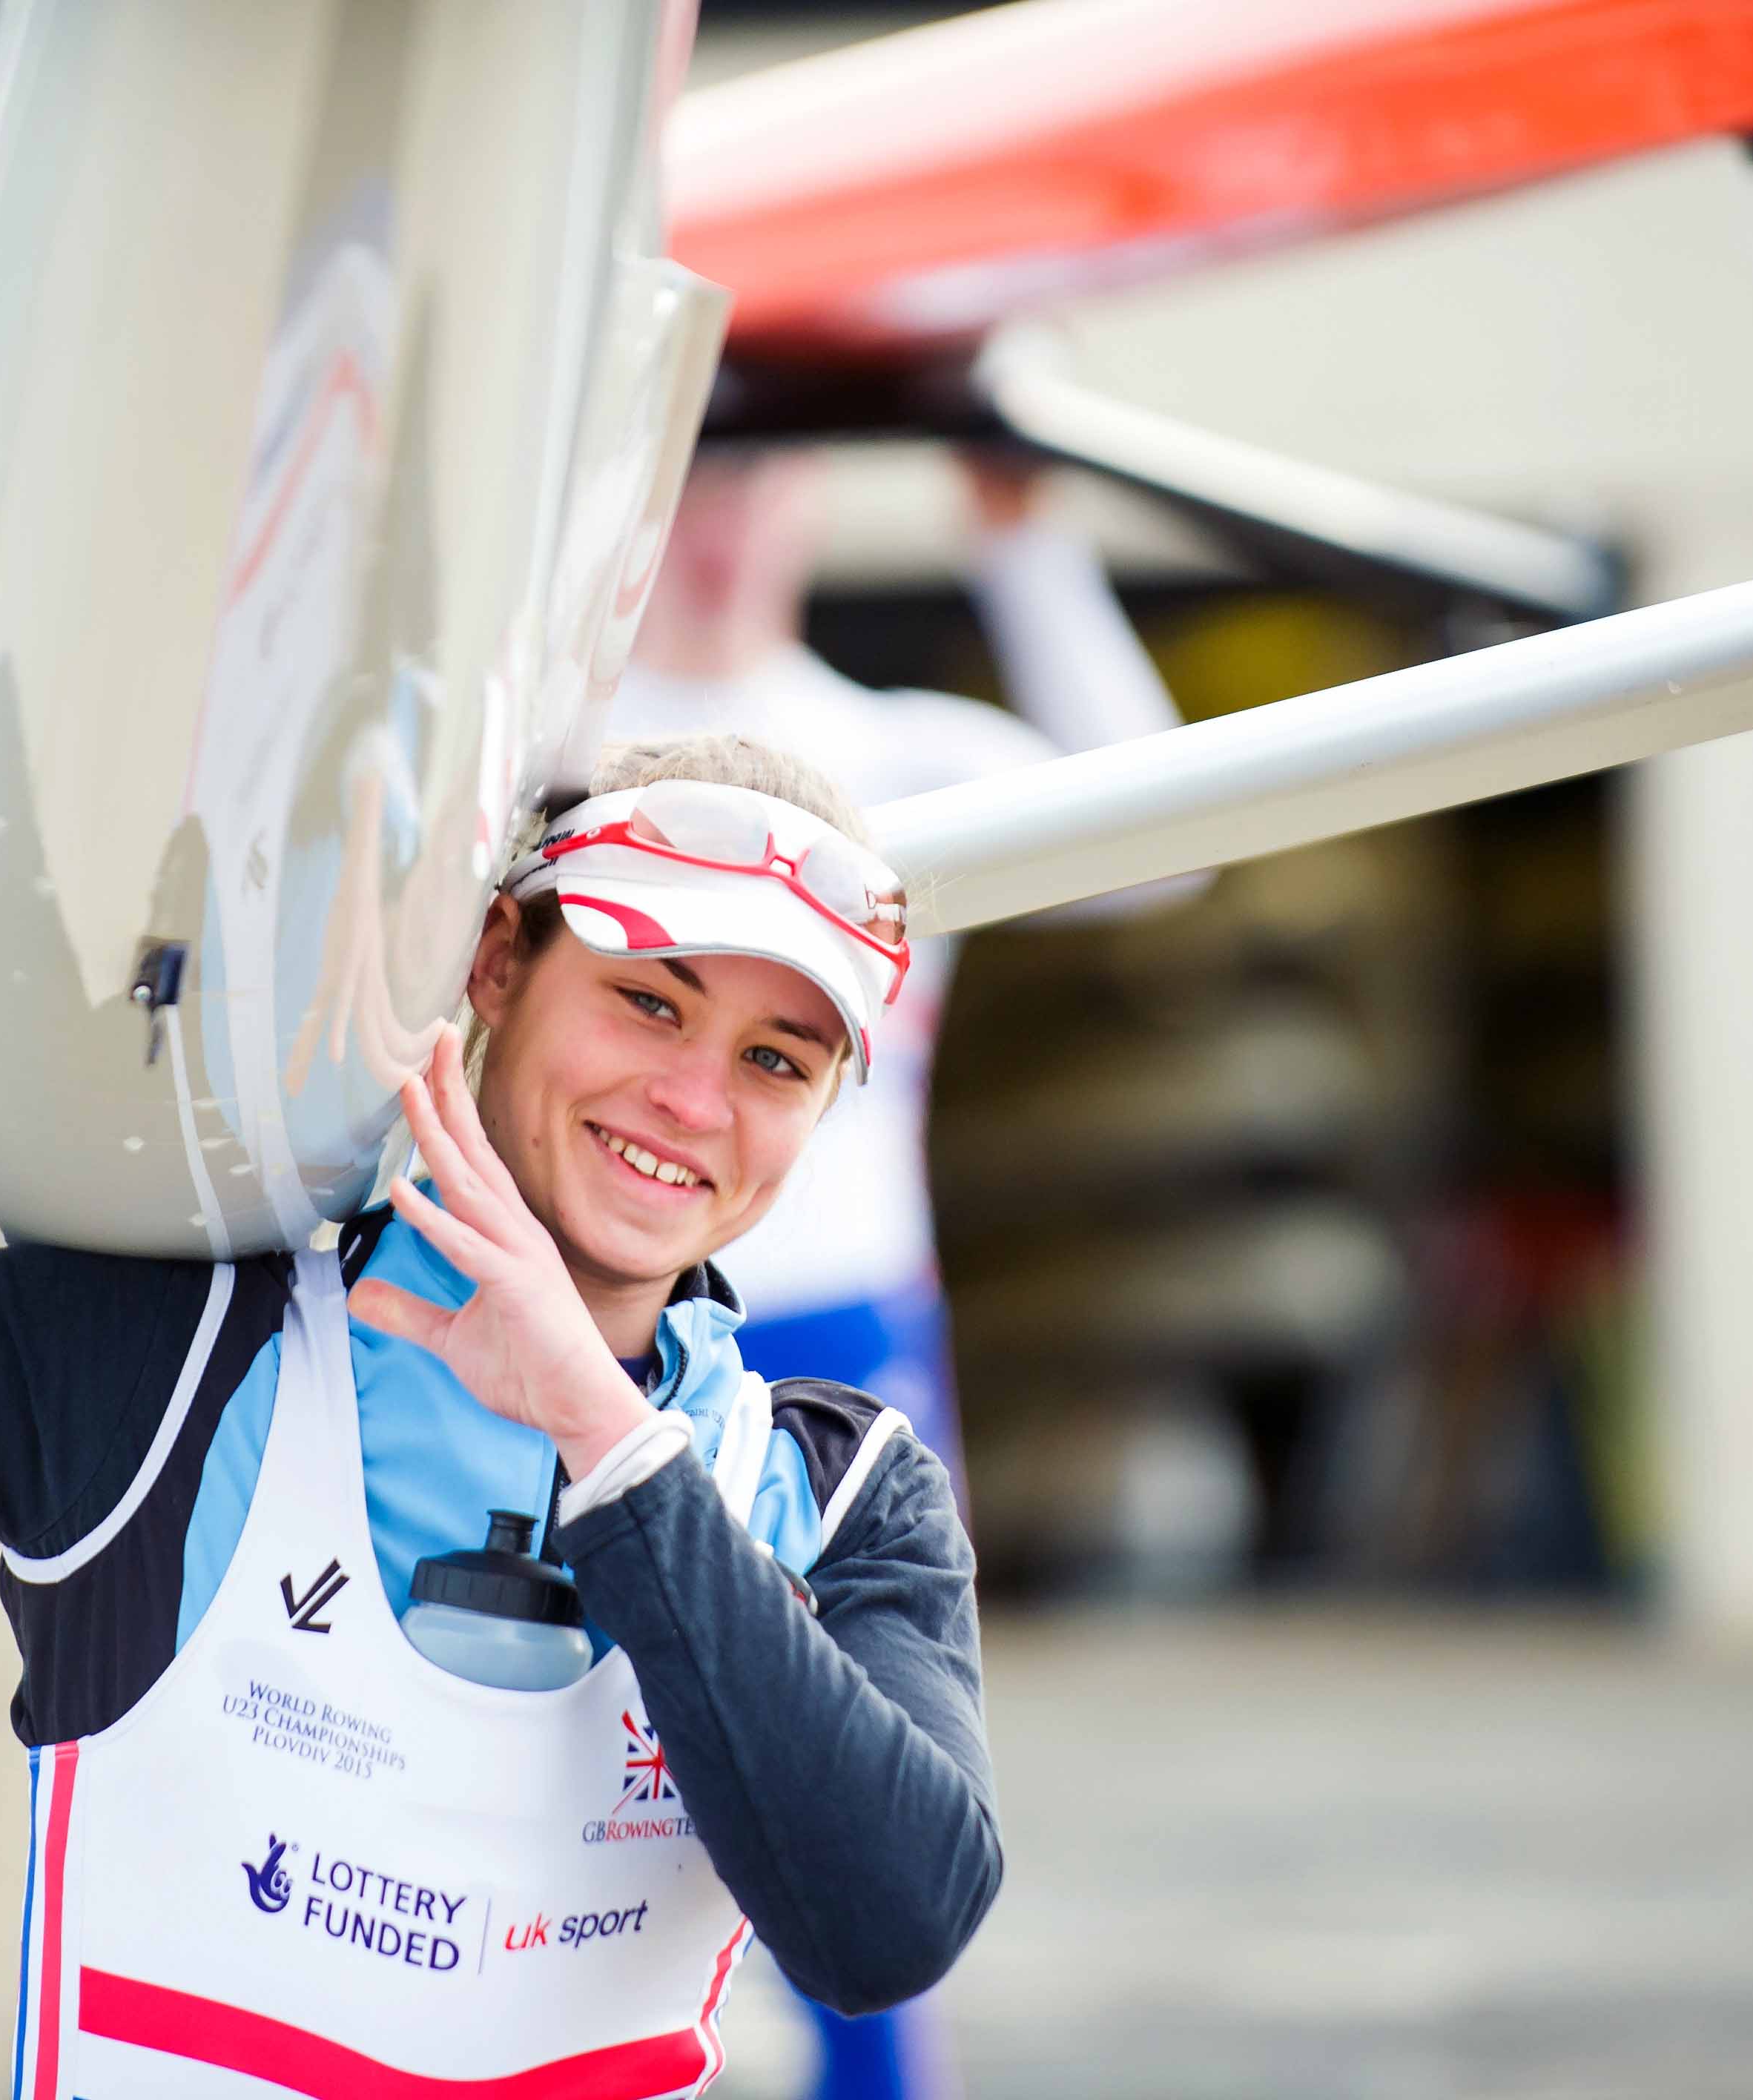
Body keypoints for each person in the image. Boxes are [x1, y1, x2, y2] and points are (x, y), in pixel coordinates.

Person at [0, 612, 1000, 2096]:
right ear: (499, 959)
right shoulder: (169, 1362)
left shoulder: (836, 1489)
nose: (697, 1101)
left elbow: (883, 1934)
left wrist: (603, 1429)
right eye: (649, 1002)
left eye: (777, 1058)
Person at [614, 451, 1186, 2100]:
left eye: (756, 478)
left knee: (865, 1808)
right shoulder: (561, 754)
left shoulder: (894, 747)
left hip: (844, 1339)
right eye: (690, 477)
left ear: (808, 505)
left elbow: (1168, 848)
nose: (722, 523)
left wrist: (1025, 542)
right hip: (595, 1334)